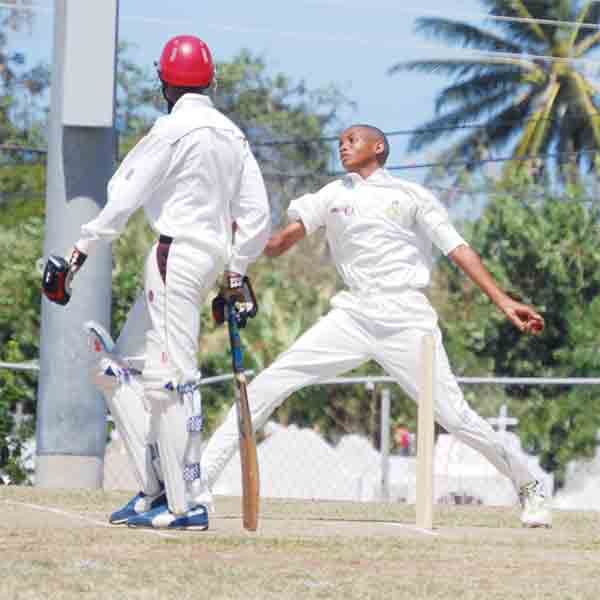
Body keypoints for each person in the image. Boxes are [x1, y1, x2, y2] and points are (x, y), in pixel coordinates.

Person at [197, 124, 552, 529]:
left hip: (407, 318)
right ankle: (200, 482)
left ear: (378, 147)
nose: (343, 147)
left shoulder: (411, 196)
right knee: (268, 384)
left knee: (455, 417)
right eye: (340, 142)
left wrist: (504, 301)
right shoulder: (332, 194)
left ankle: (529, 485)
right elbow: (278, 245)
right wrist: (236, 237)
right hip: (353, 314)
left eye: (352, 140)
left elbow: (459, 250)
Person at [56, 35, 270, 530]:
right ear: (211, 81)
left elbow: (122, 195)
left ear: (164, 84)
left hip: (176, 255)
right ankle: (157, 488)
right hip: (208, 258)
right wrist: (235, 274)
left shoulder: (171, 129)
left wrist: (78, 252)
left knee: (174, 378)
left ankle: (188, 502)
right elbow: (257, 214)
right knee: (116, 367)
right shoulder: (233, 135)